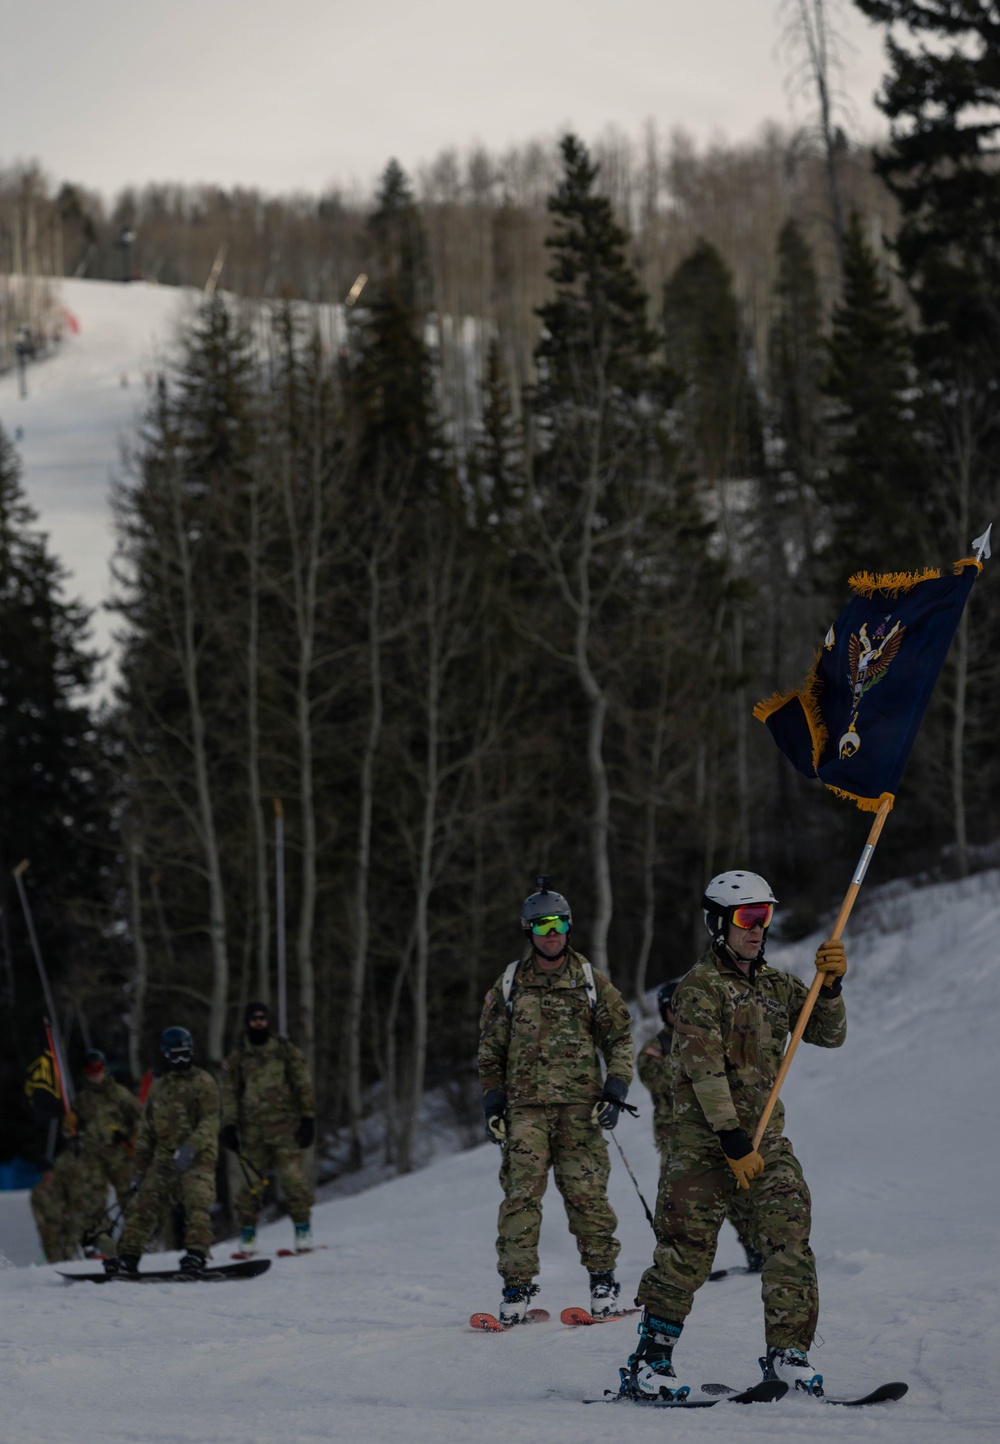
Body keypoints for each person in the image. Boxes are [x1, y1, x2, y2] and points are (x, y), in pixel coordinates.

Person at [620, 870, 847, 1401]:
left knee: (789, 1237)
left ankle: (788, 1355)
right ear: (719, 924)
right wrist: (730, 1136)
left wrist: (831, 990)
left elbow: (828, 1034)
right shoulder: (699, 989)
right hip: (703, 1145)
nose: (757, 928)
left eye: (764, 916)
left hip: (766, 1142)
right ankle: (650, 1362)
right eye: (747, 917)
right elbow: (704, 1070)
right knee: (686, 1250)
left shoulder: (777, 985)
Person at [478, 877, 634, 1325]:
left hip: (581, 1110)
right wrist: (493, 1105)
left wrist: (615, 1092)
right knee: (520, 1197)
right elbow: (490, 1050)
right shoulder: (511, 984)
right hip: (524, 1110)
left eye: (560, 924)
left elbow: (620, 1039)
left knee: (587, 1196)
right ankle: (516, 1288)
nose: (552, 934)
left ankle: (603, 1282)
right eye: (543, 925)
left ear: (569, 927)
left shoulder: (590, 981)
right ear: (528, 930)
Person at [637, 979, 763, 1274]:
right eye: (673, 1008)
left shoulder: (711, 1036)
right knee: (678, 1199)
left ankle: (755, 1246)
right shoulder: (654, 1049)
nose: (679, 1013)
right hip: (676, 1136)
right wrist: (694, 1060)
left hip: (718, 1129)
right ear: (664, 1012)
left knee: (735, 1191)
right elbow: (658, 1080)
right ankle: (682, 1260)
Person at [108, 1026, 220, 1276]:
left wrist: (191, 1147)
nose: (181, 1061)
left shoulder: (203, 1082)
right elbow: (147, 1133)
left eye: (184, 1054)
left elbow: (210, 1121)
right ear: (166, 1056)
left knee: (197, 1199)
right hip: (165, 1158)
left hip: (197, 1156)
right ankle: (128, 1256)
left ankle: (196, 1253)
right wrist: (139, 1171)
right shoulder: (158, 1089)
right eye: (175, 1056)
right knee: (145, 1203)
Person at [220, 1001, 316, 1255]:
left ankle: (303, 1231)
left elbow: (302, 1082)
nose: (259, 1022)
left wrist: (308, 1118)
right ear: (247, 1022)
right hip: (252, 1133)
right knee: (249, 1186)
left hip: (286, 1129)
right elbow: (229, 1092)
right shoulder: (239, 1056)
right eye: (254, 1018)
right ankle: (248, 1236)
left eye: (262, 1018)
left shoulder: (284, 1050)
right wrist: (229, 1125)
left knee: (293, 1181)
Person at [68, 1050, 143, 1254]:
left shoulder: (119, 1094)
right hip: (93, 1157)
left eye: (98, 1069)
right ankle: (103, 1243)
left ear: (105, 1069)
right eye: (90, 1070)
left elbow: (140, 1118)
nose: (95, 1074)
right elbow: (71, 1131)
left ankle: (135, 1240)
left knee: (128, 1197)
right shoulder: (82, 1100)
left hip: (119, 1155)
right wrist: (69, 1127)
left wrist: (132, 1138)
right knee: (95, 1199)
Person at [30, 1150, 104, 1263]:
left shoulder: (61, 1186)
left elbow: (72, 1201)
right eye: (44, 1172)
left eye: (49, 1171)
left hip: (66, 1222)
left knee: (71, 1246)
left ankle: (72, 1262)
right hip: (50, 1225)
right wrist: (43, 1226)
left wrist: (71, 1216)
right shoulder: (38, 1191)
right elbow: (37, 1211)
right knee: (53, 1252)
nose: (47, 1174)